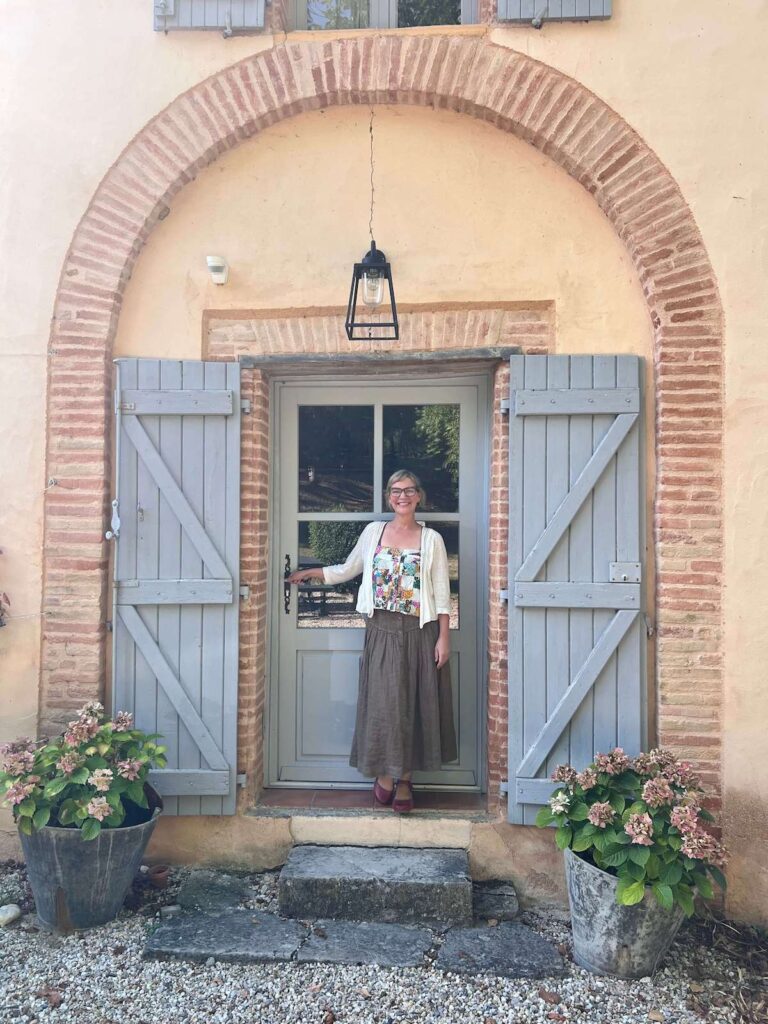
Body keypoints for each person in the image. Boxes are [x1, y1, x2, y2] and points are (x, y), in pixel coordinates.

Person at [287, 469, 457, 813]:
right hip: (380, 629)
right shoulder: (374, 533)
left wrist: (443, 639)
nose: (402, 496)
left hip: (419, 631)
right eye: (396, 491)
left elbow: (441, 593)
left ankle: (406, 778)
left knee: (414, 705)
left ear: (418, 496)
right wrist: (313, 573)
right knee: (382, 705)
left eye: (409, 490)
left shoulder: (431, 540)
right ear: (388, 496)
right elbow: (349, 568)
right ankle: (383, 774)